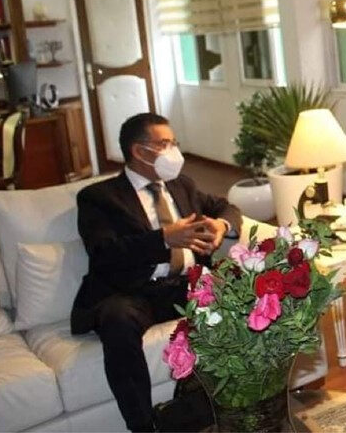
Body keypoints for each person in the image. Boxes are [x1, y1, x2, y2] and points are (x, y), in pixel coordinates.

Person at [70, 113, 242, 432]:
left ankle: (239, 403)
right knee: (117, 320)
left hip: (187, 284)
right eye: (165, 144)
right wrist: (163, 239)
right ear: (140, 151)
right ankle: (143, 425)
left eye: (174, 143)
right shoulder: (99, 198)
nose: (174, 151)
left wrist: (222, 225)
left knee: (247, 290)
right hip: (136, 292)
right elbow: (105, 253)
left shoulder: (181, 185)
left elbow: (224, 207)